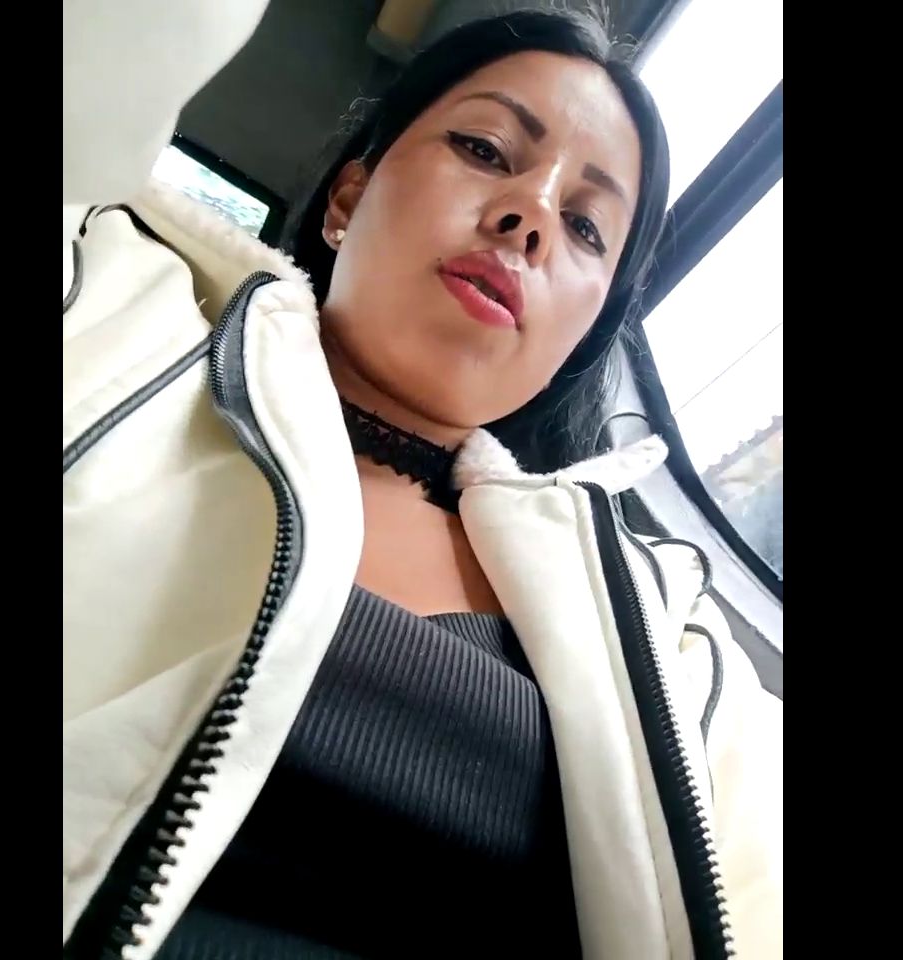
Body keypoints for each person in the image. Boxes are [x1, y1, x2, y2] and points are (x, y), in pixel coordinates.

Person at [63, 8, 782, 959]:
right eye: (485, 149)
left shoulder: (666, 623)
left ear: (581, 336)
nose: (530, 216)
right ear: (348, 197)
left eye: (584, 227)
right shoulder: (107, 311)